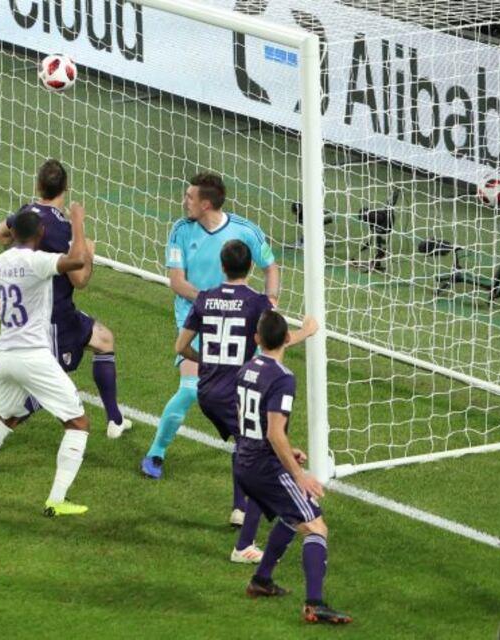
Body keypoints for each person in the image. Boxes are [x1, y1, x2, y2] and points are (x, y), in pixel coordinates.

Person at [0, 159, 130, 459]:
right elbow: (80, 278)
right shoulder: (63, 227)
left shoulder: (26, 213)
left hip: (61, 312)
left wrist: (20, 259)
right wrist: (88, 252)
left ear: (38, 185)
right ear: (66, 188)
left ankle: (115, 420)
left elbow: (0, 234)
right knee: (47, 389)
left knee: (104, 340)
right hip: (53, 317)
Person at [142, 172, 280, 503]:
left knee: (242, 397)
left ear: (206, 203)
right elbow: (177, 281)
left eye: (189, 197)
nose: (183, 201)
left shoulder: (245, 231)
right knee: (190, 389)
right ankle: (156, 451)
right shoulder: (180, 230)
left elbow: (271, 266)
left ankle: (247, 469)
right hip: (194, 317)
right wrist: (213, 302)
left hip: (233, 326)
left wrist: (272, 302)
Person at [176, 240, 315, 563]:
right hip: (235, 391)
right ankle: (244, 545)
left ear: (222, 266)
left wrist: (207, 364)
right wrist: (307, 331)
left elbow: (181, 346)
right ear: (251, 267)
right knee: (261, 459)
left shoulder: (205, 298)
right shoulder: (257, 302)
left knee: (245, 447)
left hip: (207, 389)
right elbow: (275, 341)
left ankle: (240, 509)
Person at [0, 203, 93, 517]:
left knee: (7, 418)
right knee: (78, 422)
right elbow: (77, 262)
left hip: (5, 355)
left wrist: (9, 319)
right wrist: (78, 224)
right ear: (41, 233)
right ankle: (57, 499)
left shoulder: (1, 261)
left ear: (13, 233)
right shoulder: (38, 261)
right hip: (33, 357)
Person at [234, 309, 351, 624]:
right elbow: (273, 432)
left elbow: (254, 424)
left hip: (244, 461)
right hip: (263, 466)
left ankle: (261, 581)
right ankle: (315, 604)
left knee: (290, 517)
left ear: (257, 339)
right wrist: (300, 476)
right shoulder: (283, 378)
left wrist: (287, 450)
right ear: (287, 338)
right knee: (315, 525)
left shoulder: (246, 369)